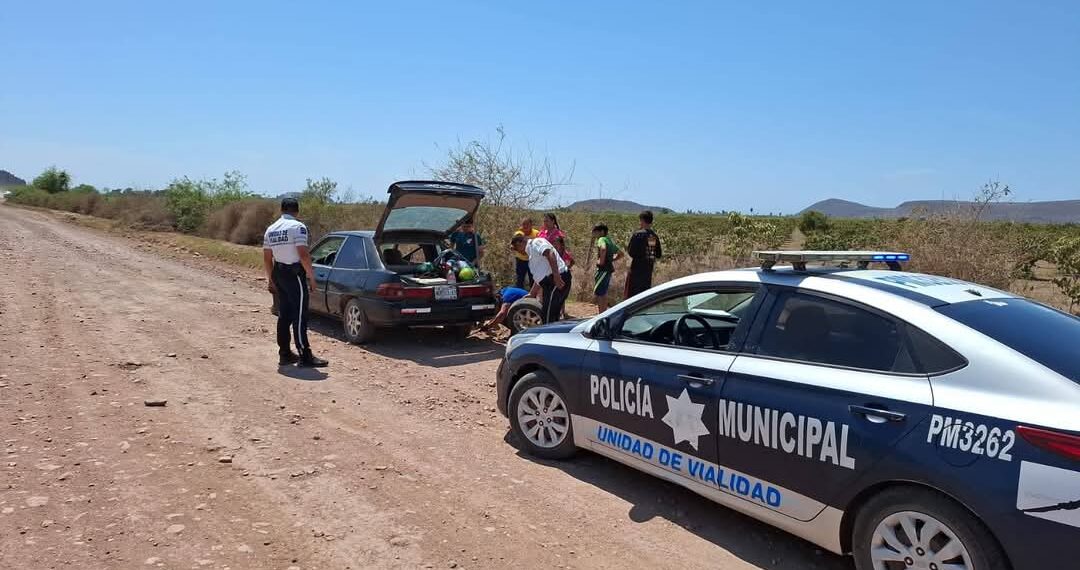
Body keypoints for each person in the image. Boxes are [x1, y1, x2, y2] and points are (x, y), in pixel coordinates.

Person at [263, 198, 329, 367]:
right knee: (300, 314)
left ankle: (284, 353)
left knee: (284, 315)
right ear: (297, 211)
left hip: (279, 273)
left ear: (281, 210)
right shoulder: (297, 227)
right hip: (294, 274)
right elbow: (303, 254)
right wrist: (311, 277)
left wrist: (271, 279)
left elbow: (267, 258)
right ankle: (304, 354)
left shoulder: (271, 229)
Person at [511, 234, 569, 324]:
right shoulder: (532, 256)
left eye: (516, 249)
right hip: (549, 283)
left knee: (548, 316)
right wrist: (532, 293)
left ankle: (549, 336)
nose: (518, 252)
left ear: (520, 243)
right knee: (551, 315)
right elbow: (539, 277)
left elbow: (550, 253)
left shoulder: (536, 242)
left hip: (555, 279)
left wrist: (556, 276)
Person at [625, 210, 663, 298]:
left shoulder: (638, 235)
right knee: (644, 296)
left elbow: (631, 252)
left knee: (632, 296)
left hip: (636, 270)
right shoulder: (653, 236)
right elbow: (658, 254)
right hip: (648, 271)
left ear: (642, 220)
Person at [592, 224, 624, 313]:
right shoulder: (609, 240)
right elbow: (621, 253)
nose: (594, 234)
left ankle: (601, 314)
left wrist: (601, 261)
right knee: (604, 292)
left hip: (602, 269)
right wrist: (612, 259)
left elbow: (603, 248)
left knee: (599, 293)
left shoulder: (601, 239)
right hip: (608, 269)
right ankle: (604, 313)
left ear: (602, 232)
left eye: (596, 232)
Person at [512, 217, 539, 289]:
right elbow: (512, 246)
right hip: (521, 260)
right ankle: (519, 295)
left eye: (527, 224)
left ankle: (534, 296)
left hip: (532, 260)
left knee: (533, 279)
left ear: (531, 224)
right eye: (523, 224)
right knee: (520, 279)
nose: (525, 226)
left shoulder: (536, 233)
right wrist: (522, 252)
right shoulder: (518, 233)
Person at [553, 235, 575, 319]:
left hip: (564, 275)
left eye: (557, 243)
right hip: (556, 275)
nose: (555, 245)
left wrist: (568, 267)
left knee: (563, 294)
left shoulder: (565, 254)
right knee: (557, 294)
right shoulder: (553, 253)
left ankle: (562, 312)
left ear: (562, 245)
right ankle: (558, 312)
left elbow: (572, 261)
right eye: (554, 243)